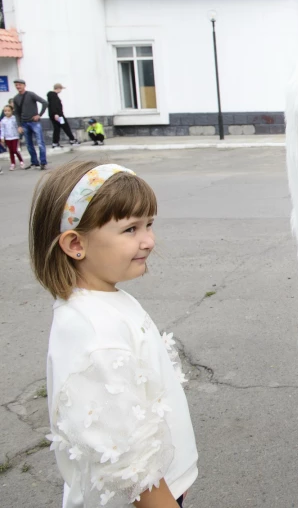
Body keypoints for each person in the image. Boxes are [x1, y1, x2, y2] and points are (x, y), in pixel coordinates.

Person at [31, 160, 198, 508]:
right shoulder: (95, 334)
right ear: (75, 243)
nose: (149, 241)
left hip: (162, 484)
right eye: (131, 229)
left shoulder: (104, 301)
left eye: (149, 224)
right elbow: (129, 467)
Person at [12, 78, 49, 169]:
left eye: (19, 85)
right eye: (16, 85)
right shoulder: (16, 98)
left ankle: (43, 162)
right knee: (29, 144)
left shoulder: (31, 94)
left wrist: (39, 115)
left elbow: (44, 102)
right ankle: (34, 162)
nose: (18, 86)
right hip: (24, 123)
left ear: (24, 85)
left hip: (34, 122)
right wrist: (19, 125)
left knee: (40, 143)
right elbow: (16, 113)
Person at [47, 83, 79, 147]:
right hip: (58, 116)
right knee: (65, 127)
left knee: (57, 128)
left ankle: (55, 143)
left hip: (55, 115)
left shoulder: (52, 95)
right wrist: (56, 114)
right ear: (58, 88)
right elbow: (53, 105)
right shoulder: (53, 95)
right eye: (61, 89)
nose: (61, 91)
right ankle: (72, 140)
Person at [1, 104, 24, 170]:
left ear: (12, 111)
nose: (7, 112)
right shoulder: (3, 120)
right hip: (7, 137)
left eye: (8, 111)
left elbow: (18, 126)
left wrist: (19, 134)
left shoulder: (14, 118)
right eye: (5, 111)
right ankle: (13, 163)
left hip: (14, 137)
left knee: (15, 150)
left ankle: (21, 161)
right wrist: (2, 137)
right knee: (10, 151)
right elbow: (2, 129)